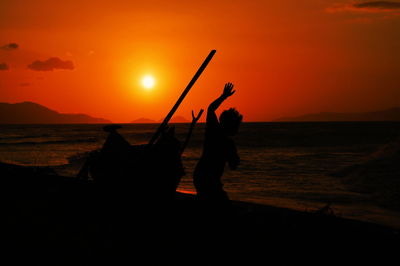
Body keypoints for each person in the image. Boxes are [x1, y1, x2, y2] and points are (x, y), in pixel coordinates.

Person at [193, 82, 243, 206]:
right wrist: (234, 158)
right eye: (237, 125)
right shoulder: (227, 143)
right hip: (209, 180)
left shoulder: (213, 130)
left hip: (200, 175)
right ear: (232, 126)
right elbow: (233, 165)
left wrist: (223, 96)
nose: (237, 129)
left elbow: (211, 108)